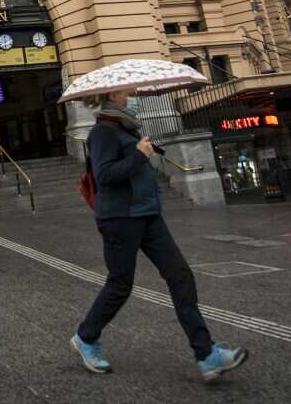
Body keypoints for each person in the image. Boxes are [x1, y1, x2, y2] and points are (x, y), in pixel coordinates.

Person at [70, 88, 248, 383]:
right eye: (131, 93)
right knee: (120, 285)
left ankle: (206, 355)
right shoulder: (102, 132)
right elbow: (105, 175)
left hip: (147, 214)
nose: (136, 98)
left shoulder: (125, 128)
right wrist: (139, 155)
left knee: (180, 275)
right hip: (120, 218)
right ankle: (85, 337)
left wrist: (142, 152)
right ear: (115, 96)